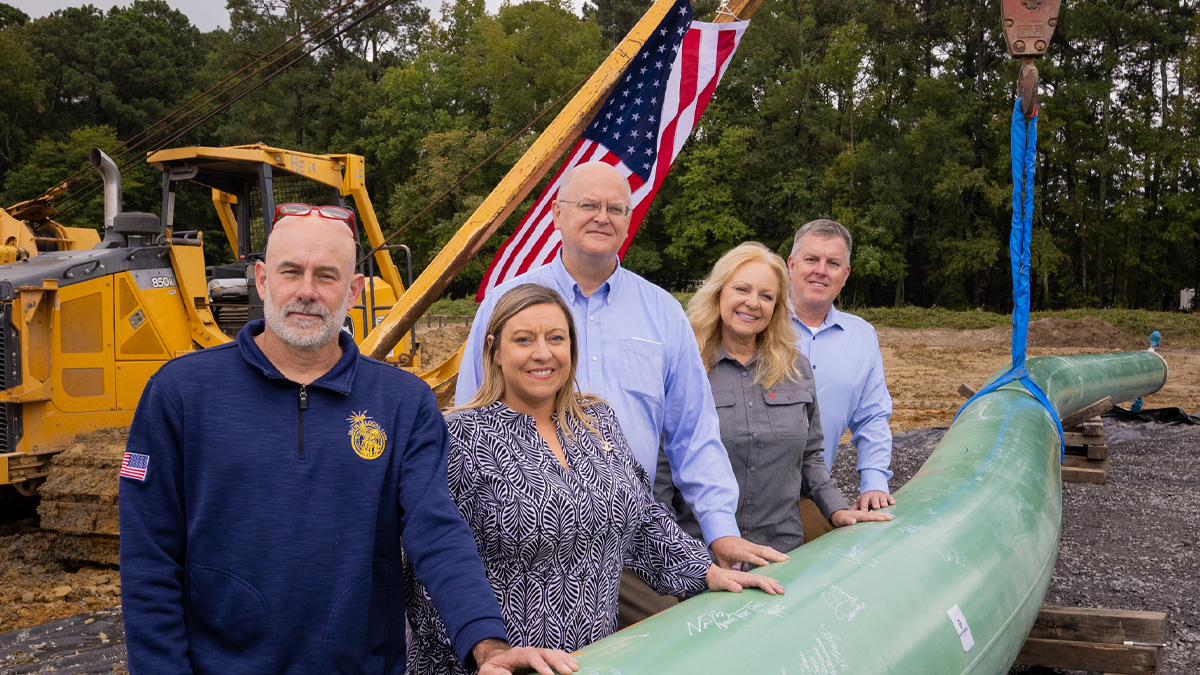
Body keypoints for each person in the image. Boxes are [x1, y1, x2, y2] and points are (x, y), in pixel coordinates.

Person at [119, 204, 576, 675]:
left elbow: (435, 531)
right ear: (261, 279)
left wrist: (488, 645)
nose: (306, 291)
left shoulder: (403, 403)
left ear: (354, 291)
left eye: (327, 276)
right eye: (291, 271)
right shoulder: (180, 393)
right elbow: (150, 559)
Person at [457, 162, 787, 624]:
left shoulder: (661, 313)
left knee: (681, 634)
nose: (602, 216)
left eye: (616, 208)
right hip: (525, 543)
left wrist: (720, 532)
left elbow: (693, 433)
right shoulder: (507, 303)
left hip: (631, 526)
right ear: (557, 214)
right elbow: (475, 413)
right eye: (588, 204)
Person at [406, 284, 784, 674]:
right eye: (523, 339)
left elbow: (643, 519)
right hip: (501, 664)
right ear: (495, 350)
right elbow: (428, 568)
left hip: (590, 660)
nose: (542, 352)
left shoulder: (597, 421)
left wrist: (705, 572)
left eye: (556, 338)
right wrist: (483, 651)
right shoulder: (458, 437)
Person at [656, 243, 891, 554]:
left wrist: (837, 509)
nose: (753, 303)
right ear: (718, 292)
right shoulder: (684, 367)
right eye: (742, 289)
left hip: (784, 551)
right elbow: (660, 473)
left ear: (778, 307)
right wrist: (674, 560)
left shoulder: (797, 369)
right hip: (705, 557)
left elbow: (809, 456)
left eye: (766, 296)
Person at [787, 219, 897, 541]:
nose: (821, 270)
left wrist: (874, 480)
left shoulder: (862, 336)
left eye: (832, 263)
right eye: (811, 260)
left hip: (811, 495)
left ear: (845, 275)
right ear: (792, 265)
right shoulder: (759, 323)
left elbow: (873, 415)